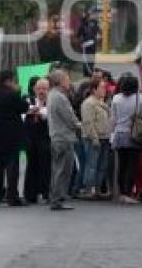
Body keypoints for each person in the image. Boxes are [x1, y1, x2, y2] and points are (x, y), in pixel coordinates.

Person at [0, 69, 30, 207]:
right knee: (12, 168)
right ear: (9, 80)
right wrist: (21, 94)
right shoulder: (12, 94)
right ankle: (12, 196)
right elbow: (23, 107)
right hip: (11, 137)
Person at [48, 70, 82, 211]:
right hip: (63, 138)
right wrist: (80, 125)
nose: (69, 82)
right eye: (67, 79)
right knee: (63, 170)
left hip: (57, 136)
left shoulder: (53, 95)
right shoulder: (60, 97)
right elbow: (70, 119)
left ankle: (56, 197)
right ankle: (57, 199)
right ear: (60, 81)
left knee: (58, 169)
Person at [110, 74, 142, 205]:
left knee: (121, 165)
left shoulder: (116, 98)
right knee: (132, 164)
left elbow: (113, 117)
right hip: (133, 133)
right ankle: (128, 192)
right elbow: (141, 115)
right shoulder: (138, 99)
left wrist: (111, 133)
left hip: (119, 133)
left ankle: (121, 192)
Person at [80, 77, 111, 199]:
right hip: (94, 137)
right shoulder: (88, 103)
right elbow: (88, 122)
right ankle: (89, 189)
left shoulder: (102, 102)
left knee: (102, 165)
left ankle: (97, 189)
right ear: (94, 89)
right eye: (102, 87)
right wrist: (94, 138)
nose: (105, 90)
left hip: (105, 137)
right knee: (92, 164)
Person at [23, 78, 51, 205]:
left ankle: (46, 193)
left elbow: (48, 114)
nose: (41, 91)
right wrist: (34, 110)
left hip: (45, 137)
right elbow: (24, 114)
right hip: (30, 137)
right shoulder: (28, 100)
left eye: (44, 89)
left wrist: (37, 111)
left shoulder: (51, 102)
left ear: (48, 90)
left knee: (46, 165)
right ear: (34, 89)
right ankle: (30, 194)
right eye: (39, 88)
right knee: (31, 165)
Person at [77, 13, 100, 77]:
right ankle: (89, 72)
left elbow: (78, 35)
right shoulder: (91, 24)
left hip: (88, 44)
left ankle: (88, 72)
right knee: (89, 59)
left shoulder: (84, 25)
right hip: (90, 44)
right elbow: (97, 33)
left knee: (88, 59)